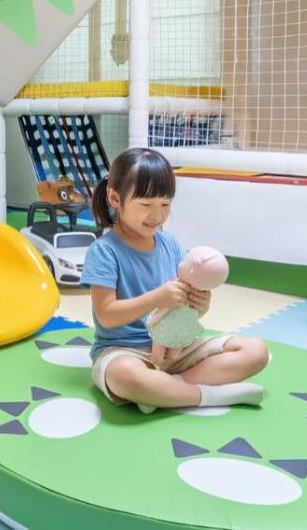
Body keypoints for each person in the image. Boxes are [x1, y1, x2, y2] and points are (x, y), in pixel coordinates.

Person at [81, 147, 269, 413]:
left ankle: (166, 390)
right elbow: (106, 315)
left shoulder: (170, 244)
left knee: (256, 351)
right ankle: (207, 395)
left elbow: (185, 311)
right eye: (146, 204)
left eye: (165, 204)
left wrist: (199, 305)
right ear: (114, 198)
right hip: (124, 351)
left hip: (178, 349)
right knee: (125, 376)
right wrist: (157, 298)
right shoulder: (103, 251)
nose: (157, 215)